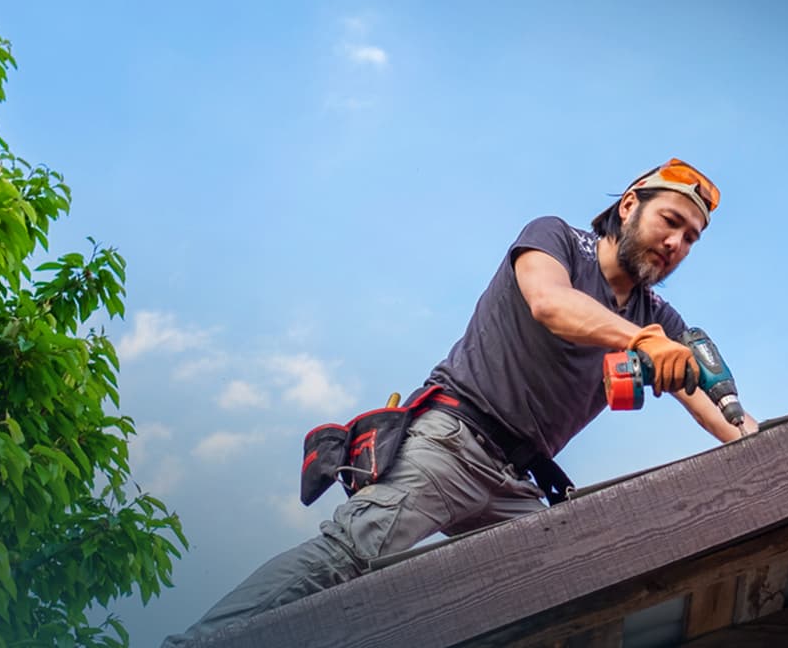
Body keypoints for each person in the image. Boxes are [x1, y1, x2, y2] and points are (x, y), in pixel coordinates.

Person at [163, 158, 758, 645]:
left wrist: (754, 442)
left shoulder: (659, 317)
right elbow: (550, 304)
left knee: (568, 595)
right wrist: (641, 342)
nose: (676, 242)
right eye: (671, 221)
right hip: (453, 441)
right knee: (351, 554)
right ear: (630, 205)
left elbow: (711, 398)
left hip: (516, 482)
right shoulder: (557, 241)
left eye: (691, 238)